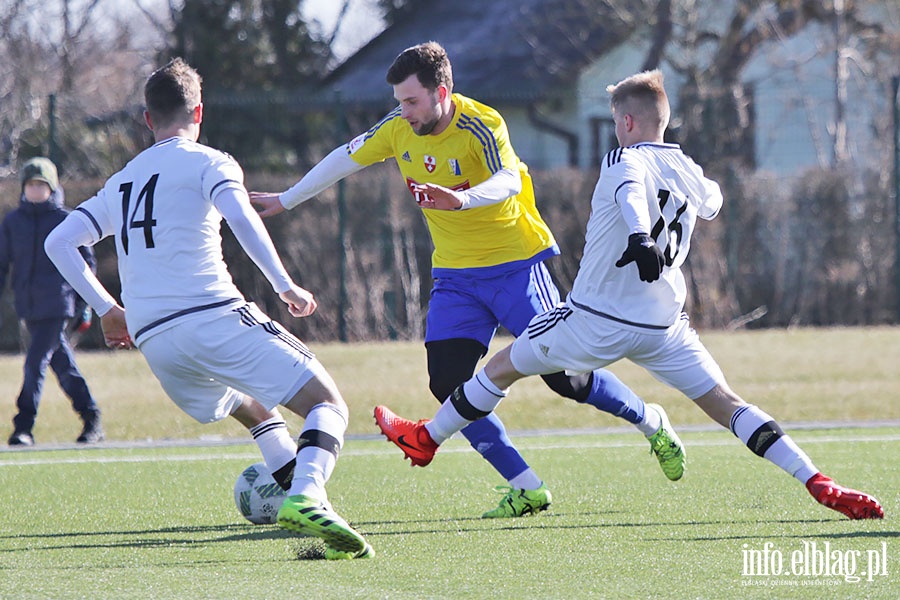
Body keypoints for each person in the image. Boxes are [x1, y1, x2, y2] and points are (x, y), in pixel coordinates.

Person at [373, 69, 884, 521]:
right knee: (728, 404)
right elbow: (712, 201)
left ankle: (426, 439)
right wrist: (676, 194)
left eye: (618, 122)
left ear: (628, 123)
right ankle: (816, 480)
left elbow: (630, 191)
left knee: (500, 368)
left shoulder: (623, 157)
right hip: (664, 326)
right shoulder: (685, 167)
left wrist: (640, 236)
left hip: (593, 319)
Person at [251, 41, 685, 518]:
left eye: (411, 100)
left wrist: (461, 199)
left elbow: (508, 181)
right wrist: (287, 198)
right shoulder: (400, 129)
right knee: (448, 382)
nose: (403, 110)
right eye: (399, 101)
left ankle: (651, 420)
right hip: (456, 277)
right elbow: (346, 156)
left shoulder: (482, 123)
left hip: (517, 266)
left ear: (441, 92)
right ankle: (526, 485)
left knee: (566, 379)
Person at [44, 58, 373, 559]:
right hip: (211, 314)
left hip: (154, 339)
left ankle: (290, 489)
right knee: (327, 404)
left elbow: (59, 242)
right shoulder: (210, 161)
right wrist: (284, 285)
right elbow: (242, 218)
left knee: (247, 401)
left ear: (148, 119)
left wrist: (108, 308)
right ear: (200, 111)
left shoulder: (121, 182)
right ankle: (308, 495)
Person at [0, 157, 103, 446]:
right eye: (31, 184)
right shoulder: (12, 222)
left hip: (57, 304)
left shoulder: (67, 220)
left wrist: (87, 303)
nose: (35, 190)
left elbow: (87, 263)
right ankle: (91, 418)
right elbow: (2, 263)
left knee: (35, 364)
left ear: (52, 187)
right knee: (63, 365)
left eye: (41, 184)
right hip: (28, 306)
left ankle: (23, 426)